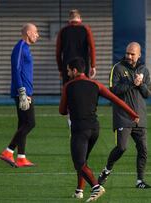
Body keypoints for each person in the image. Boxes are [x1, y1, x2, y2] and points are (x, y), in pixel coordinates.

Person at [59, 57, 139, 201]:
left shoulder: (68, 86)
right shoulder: (96, 84)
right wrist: (133, 114)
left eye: (68, 70)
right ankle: (79, 191)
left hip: (80, 130)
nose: (68, 73)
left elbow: (62, 111)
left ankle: (96, 187)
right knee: (83, 161)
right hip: (95, 129)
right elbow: (117, 100)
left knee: (79, 162)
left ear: (74, 70)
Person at [98, 42, 151, 189]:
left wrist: (141, 84)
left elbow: (148, 93)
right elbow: (112, 90)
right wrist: (132, 83)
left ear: (139, 55)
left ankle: (140, 181)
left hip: (140, 117)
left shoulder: (144, 70)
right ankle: (106, 170)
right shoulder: (117, 68)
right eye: (127, 53)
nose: (128, 56)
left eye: (132, 54)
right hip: (123, 116)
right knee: (121, 147)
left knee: (143, 150)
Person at [0, 23, 39, 168]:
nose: (37, 35)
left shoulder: (26, 48)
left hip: (26, 92)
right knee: (30, 123)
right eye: (36, 32)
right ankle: (8, 152)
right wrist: (22, 93)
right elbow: (15, 71)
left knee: (23, 124)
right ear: (28, 33)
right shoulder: (20, 47)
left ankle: (21, 157)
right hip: (22, 93)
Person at [56, 9, 96, 84]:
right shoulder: (86, 29)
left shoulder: (63, 31)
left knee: (68, 89)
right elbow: (92, 48)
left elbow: (58, 53)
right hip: (83, 66)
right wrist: (93, 66)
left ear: (69, 19)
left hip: (68, 67)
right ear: (80, 19)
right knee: (83, 88)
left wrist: (61, 69)